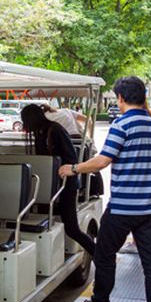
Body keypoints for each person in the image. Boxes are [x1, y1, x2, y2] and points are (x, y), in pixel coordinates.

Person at [63, 76, 151, 302]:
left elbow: (103, 160)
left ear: (121, 98)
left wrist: (73, 168)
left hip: (123, 207)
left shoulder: (122, 124)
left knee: (104, 253)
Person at [20, 104, 95, 256]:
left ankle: (100, 254)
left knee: (72, 229)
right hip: (52, 185)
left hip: (66, 186)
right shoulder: (42, 131)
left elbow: (71, 158)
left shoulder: (54, 130)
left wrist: (63, 169)